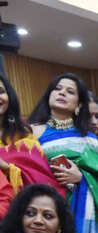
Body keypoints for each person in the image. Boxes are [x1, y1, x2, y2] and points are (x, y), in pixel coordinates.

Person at [29, 73, 98, 233]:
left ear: (79, 105)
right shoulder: (31, 132)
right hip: (42, 210)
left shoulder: (89, 139)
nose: (62, 93)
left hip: (81, 215)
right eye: (58, 88)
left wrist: (82, 178)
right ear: (49, 95)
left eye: (70, 92)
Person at [0, 74, 63, 217]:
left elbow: (41, 176)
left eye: (1, 91)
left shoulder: (23, 134)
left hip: (25, 215)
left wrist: (7, 167)